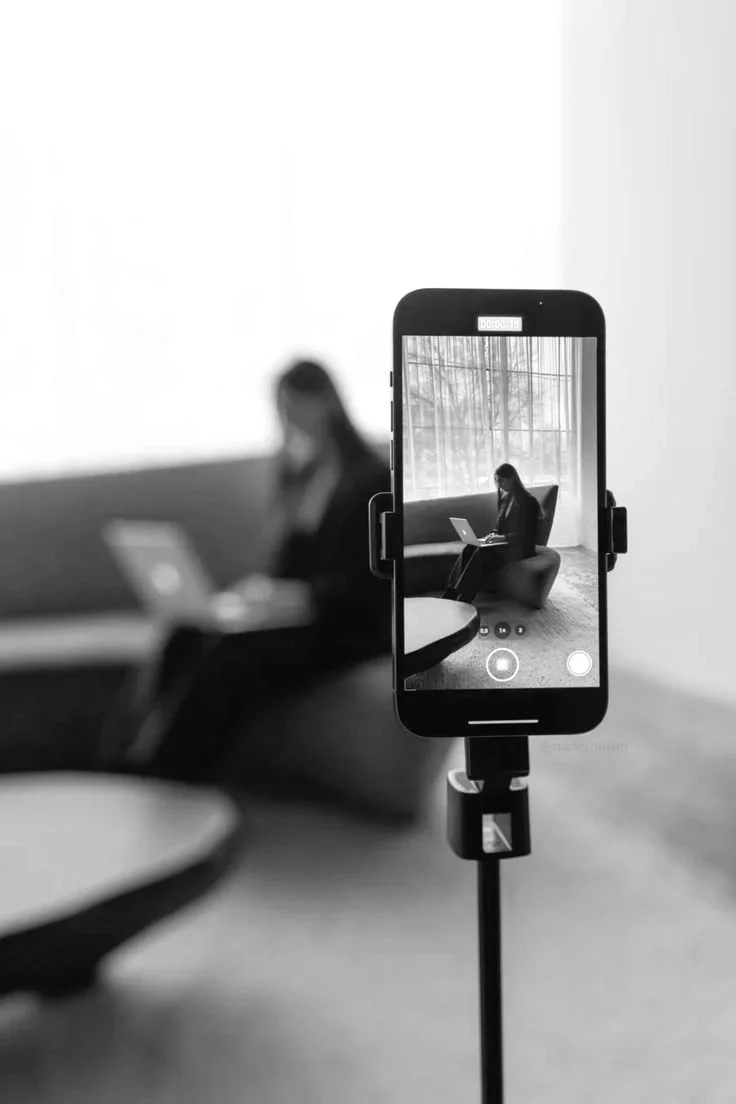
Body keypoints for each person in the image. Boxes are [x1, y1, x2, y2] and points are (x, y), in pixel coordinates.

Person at [102, 359, 391, 783]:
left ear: (327, 402)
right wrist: (258, 594)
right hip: (296, 612)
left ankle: (171, 771)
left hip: (345, 625)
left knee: (232, 655)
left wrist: (302, 597)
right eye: (281, 410)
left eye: (294, 407)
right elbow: (288, 566)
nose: (287, 420)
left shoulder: (371, 479)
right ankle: (138, 749)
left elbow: (368, 583)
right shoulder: (303, 475)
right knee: (185, 633)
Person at [442, 463, 540, 604]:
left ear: (512, 478)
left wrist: (503, 538)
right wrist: (492, 535)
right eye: (496, 481)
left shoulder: (529, 502)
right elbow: (500, 527)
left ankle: (465, 597)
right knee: (470, 547)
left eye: (501, 480)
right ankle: (451, 591)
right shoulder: (506, 500)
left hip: (521, 548)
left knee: (482, 552)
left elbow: (526, 535)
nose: (499, 485)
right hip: (505, 543)